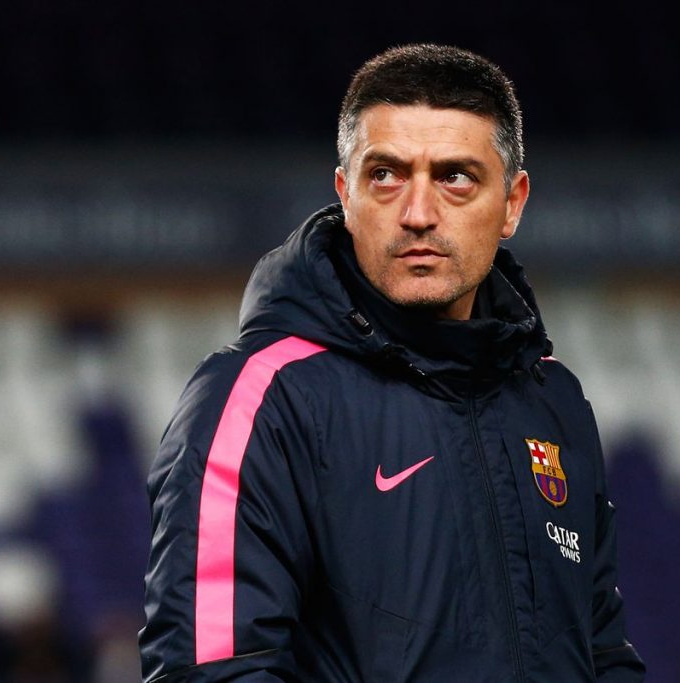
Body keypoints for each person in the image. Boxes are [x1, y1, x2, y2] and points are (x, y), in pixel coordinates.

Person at [139, 43, 646, 681]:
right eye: (386, 174)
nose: (417, 214)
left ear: (513, 202)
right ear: (344, 192)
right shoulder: (257, 398)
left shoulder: (554, 402)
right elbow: (212, 671)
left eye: (456, 176)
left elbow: (600, 652)